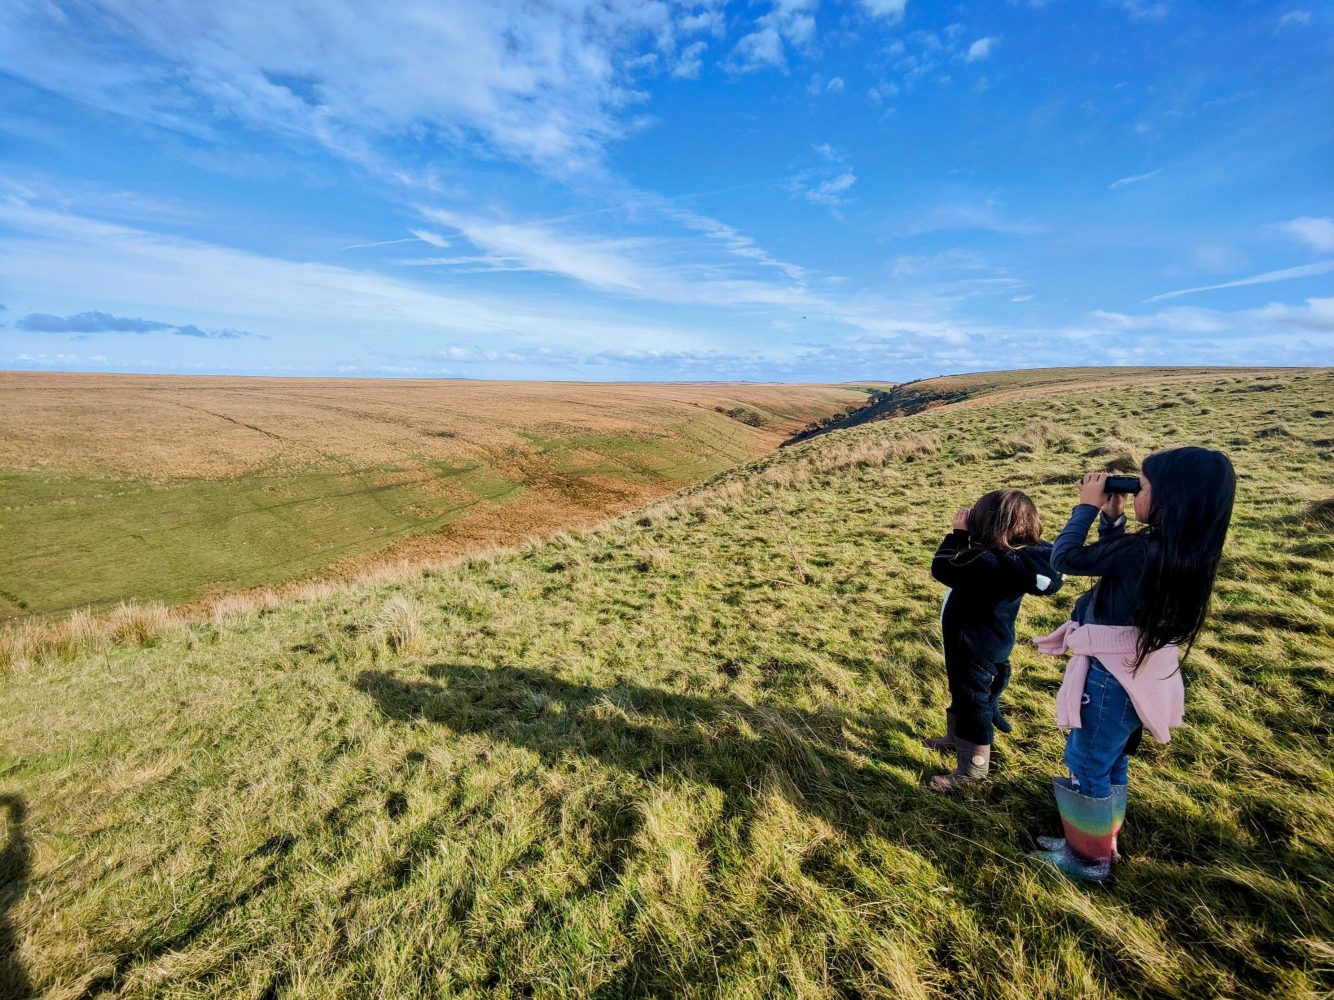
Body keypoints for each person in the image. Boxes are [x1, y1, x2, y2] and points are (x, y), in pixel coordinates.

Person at [1031, 447, 1235, 881]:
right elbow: (1117, 567)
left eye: (1142, 487)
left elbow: (1064, 558)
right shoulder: (1178, 549)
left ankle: (1087, 862)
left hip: (1110, 677)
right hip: (1136, 672)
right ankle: (1098, 841)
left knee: (1086, 762)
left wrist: (1085, 509)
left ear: (1169, 501)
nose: (1134, 491)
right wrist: (1113, 521)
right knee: (1111, 760)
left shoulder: (1145, 552)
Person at [925, 489, 1064, 790]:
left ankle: (972, 767)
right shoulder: (1014, 561)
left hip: (974, 645)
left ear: (989, 525)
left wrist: (959, 535)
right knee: (965, 693)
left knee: (973, 700)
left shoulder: (986, 562)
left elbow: (943, 566)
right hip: (984, 642)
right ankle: (956, 738)